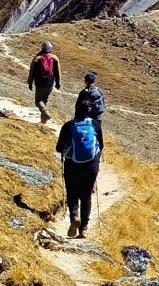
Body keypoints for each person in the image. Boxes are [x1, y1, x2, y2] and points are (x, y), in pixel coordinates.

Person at [55, 99, 105, 238]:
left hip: (72, 164)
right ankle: (83, 228)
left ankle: (74, 217)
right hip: (91, 165)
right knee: (86, 195)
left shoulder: (69, 125)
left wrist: (65, 148)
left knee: (72, 192)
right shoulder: (95, 124)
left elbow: (59, 148)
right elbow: (101, 146)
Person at [27, 42, 60, 124]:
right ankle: (43, 121)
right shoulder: (54, 58)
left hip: (39, 83)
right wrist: (58, 83)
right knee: (44, 100)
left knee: (38, 101)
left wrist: (30, 82)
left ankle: (45, 112)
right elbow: (57, 72)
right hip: (50, 83)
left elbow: (32, 72)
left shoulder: (37, 58)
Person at [75, 71, 106, 137]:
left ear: (85, 81)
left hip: (86, 120)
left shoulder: (84, 93)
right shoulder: (99, 91)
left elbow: (78, 108)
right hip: (98, 119)